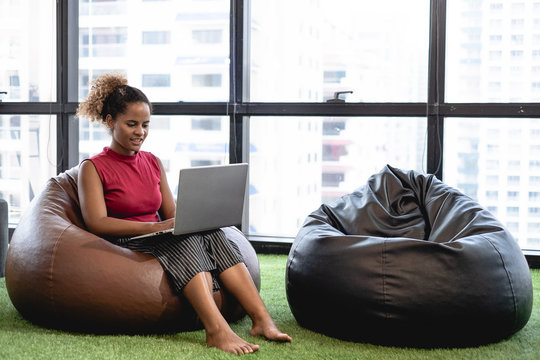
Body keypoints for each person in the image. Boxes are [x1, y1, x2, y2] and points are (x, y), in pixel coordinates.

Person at [76, 73, 291, 355]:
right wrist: (154, 228)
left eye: (145, 125)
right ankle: (216, 330)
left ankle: (262, 320)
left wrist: (191, 219)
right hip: (127, 241)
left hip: (158, 234)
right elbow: (97, 222)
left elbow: (171, 212)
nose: (140, 131)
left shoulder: (152, 162)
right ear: (110, 122)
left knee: (210, 232)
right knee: (186, 241)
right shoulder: (92, 167)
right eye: (131, 124)